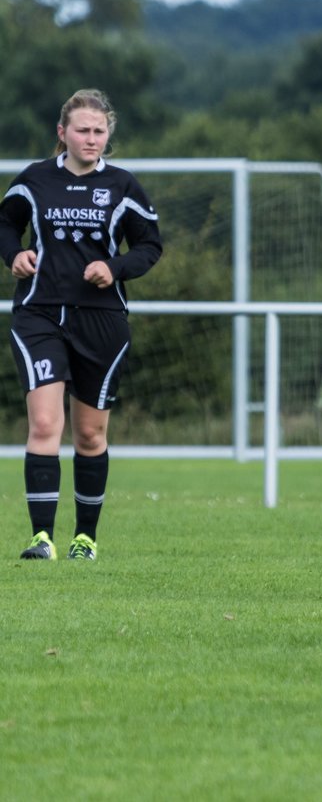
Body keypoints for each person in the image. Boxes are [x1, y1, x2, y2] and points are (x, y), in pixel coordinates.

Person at [0, 89, 164, 561]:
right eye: (82, 130)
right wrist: (15, 254)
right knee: (46, 422)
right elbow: (4, 225)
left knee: (90, 434)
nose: (91, 139)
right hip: (40, 313)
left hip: (102, 321)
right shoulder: (33, 181)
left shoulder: (124, 187)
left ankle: (84, 539)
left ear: (107, 134)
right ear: (62, 133)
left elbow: (149, 246)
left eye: (99, 131)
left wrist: (115, 268)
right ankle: (41, 538)